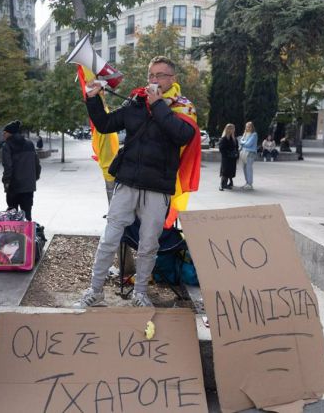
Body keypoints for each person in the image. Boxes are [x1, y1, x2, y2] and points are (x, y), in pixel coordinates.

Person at [73, 56, 196, 308]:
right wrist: (94, 98)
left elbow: (183, 135)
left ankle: (140, 293)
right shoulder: (136, 101)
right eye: (151, 75)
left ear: (172, 79)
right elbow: (106, 124)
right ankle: (95, 291)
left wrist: (158, 105)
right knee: (110, 238)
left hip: (158, 188)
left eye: (160, 75)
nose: (154, 80)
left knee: (149, 243)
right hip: (127, 182)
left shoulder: (183, 106)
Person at [1, 120, 41, 221]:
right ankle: (28, 236)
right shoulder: (29, 144)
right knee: (27, 215)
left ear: (10, 133)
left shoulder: (7, 146)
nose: (3, 135)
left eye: (4, 133)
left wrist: (6, 182)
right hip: (28, 186)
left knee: (13, 215)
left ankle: (15, 237)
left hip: (14, 186)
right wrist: (34, 178)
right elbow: (37, 163)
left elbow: (8, 167)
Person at [218, 124, 238, 191]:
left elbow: (236, 148)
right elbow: (221, 149)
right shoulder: (224, 139)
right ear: (226, 129)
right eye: (229, 129)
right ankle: (222, 184)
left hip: (233, 158)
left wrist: (236, 155)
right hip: (226, 158)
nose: (231, 130)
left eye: (232, 129)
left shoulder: (234, 139)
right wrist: (227, 154)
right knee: (225, 171)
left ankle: (229, 183)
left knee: (231, 171)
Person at [238, 121, 258, 190]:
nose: (248, 128)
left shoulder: (254, 134)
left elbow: (248, 144)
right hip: (243, 152)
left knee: (249, 168)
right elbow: (241, 141)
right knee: (244, 168)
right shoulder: (245, 133)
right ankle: (247, 182)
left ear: (252, 127)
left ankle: (250, 184)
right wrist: (243, 142)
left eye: (249, 127)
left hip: (250, 153)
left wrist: (243, 142)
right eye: (247, 126)